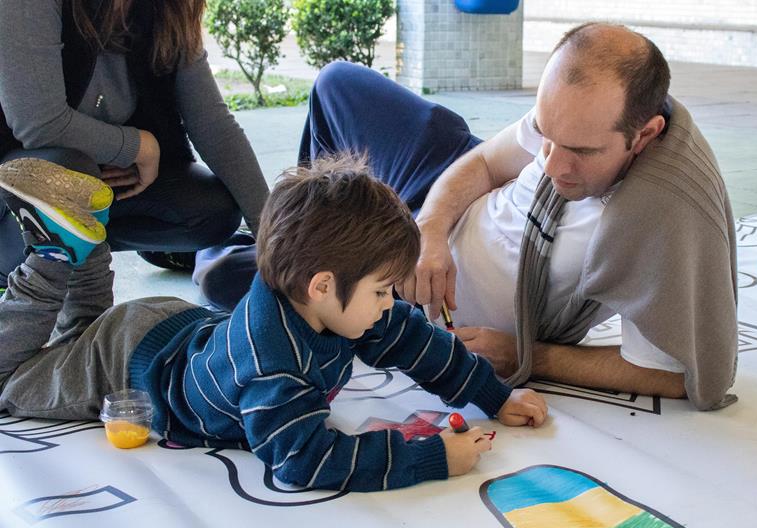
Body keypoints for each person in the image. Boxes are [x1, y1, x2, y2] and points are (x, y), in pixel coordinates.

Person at [196, 23, 738, 411]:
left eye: (580, 152)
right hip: (441, 197)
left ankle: (229, 244)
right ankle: (318, 226)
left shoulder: (666, 219)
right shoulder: (577, 117)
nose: (551, 165)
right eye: (545, 137)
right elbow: (481, 163)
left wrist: (528, 356)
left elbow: (670, 375)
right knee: (337, 84)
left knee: (229, 277)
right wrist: (429, 230)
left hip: (411, 288)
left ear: (644, 135)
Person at [0, 154, 547, 492]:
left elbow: (413, 338)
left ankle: (85, 238)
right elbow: (303, 460)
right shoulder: (273, 366)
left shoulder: (335, 300)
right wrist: (430, 457)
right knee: (10, 379)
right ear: (322, 285)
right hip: (123, 369)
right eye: (383, 290)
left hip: (170, 329)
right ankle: (52, 256)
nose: (390, 304)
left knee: (79, 330)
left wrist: (493, 395)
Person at [0, 0, 270, 294]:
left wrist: (273, 234)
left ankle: (80, 247)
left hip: (108, 179)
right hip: (18, 183)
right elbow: (40, 124)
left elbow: (214, 124)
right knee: (73, 174)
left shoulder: (172, 7)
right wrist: (139, 147)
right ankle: (26, 269)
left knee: (214, 209)